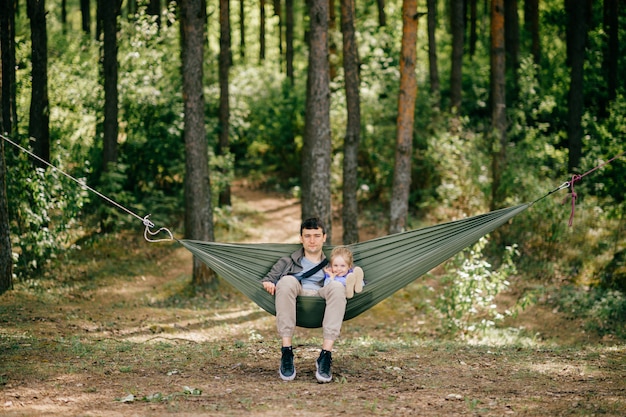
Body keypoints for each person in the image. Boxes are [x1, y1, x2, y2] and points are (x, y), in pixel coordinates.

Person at [261, 217, 346, 383]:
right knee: (285, 281)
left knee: (337, 287)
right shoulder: (288, 261)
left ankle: (325, 355)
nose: (312, 240)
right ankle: (286, 351)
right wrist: (269, 283)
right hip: (297, 293)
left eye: (316, 235)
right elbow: (268, 278)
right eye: (307, 236)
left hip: (322, 295)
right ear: (301, 238)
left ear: (324, 237)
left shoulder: (333, 263)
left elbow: (350, 275)